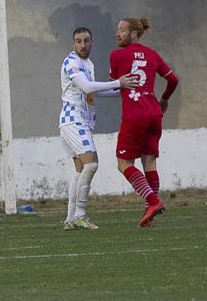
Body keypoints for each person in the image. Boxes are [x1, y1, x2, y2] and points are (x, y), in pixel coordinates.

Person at [58, 28, 139, 229]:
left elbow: (93, 91)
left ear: (92, 42)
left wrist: (121, 89)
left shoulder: (88, 64)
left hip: (77, 121)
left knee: (79, 171)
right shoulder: (71, 62)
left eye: (86, 41)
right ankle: (80, 214)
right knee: (91, 164)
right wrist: (118, 82)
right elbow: (86, 87)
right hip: (73, 119)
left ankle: (70, 219)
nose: (82, 45)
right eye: (78, 41)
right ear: (73, 43)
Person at [109, 17, 178, 227]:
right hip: (154, 114)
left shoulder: (117, 55)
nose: (117, 33)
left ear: (134, 33)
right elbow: (173, 80)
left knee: (123, 164)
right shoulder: (152, 54)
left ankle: (153, 202)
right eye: (118, 30)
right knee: (149, 162)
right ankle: (150, 213)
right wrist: (164, 99)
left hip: (134, 115)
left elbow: (114, 86)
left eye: (122, 30)